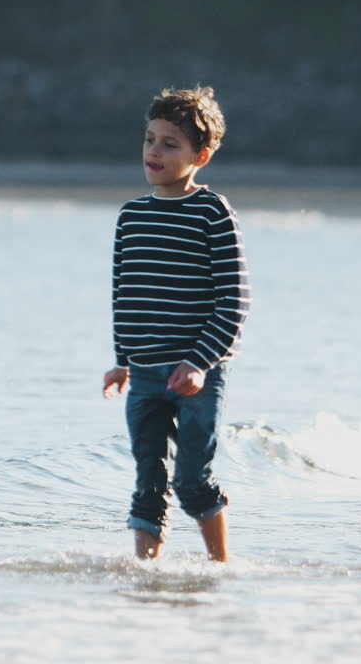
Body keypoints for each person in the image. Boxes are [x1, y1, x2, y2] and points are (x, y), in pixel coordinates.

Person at [102, 86, 250, 562]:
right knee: (147, 478)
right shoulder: (131, 217)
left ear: (200, 156)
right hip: (144, 375)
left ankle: (220, 567)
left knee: (191, 481)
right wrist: (122, 362)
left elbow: (235, 303)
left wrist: (199, 362)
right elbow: (123, 295)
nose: (154, 151)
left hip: (196, 377)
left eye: (170, 144)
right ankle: (145, 576)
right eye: (149, 139)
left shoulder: (213, 213)